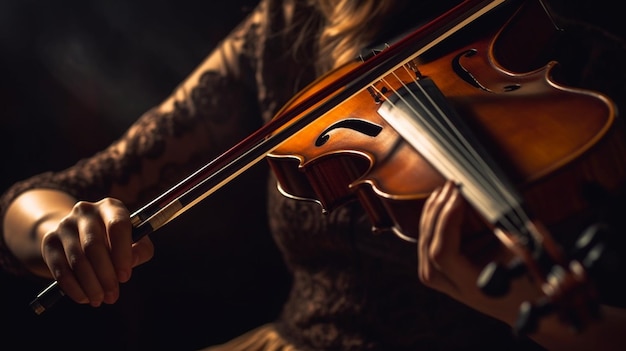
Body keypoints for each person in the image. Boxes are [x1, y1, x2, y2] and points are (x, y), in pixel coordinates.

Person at [2, 0, 626, 350]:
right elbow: (33, 203)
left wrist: (533, 312)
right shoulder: (293, 25)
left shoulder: (573, 53)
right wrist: (60, 230)